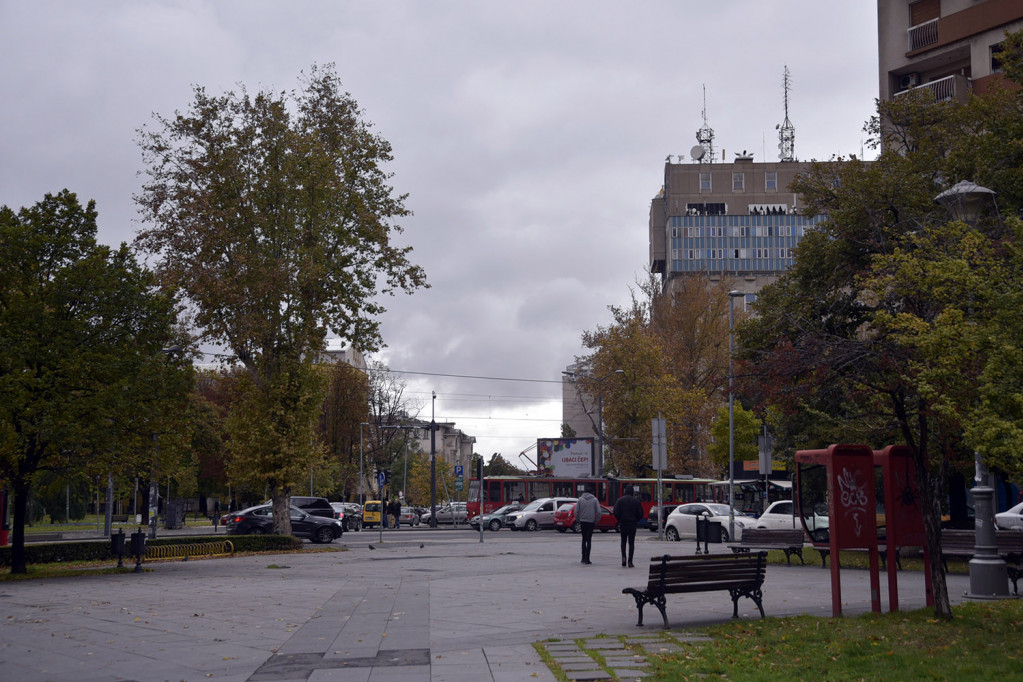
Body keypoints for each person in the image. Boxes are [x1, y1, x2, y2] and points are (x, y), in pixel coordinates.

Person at [613, 486, 644, 567]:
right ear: (632, 492)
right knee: (631, 543)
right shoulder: (636, 501)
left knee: (623, 542)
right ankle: (630, 561)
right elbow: (641, 513)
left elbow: (615, 512)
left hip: (623, 523)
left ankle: (623, 558)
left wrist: (620, 519)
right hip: (632, 524)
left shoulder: (620, 500)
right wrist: (635, 520)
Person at [575, 490, 601, 565]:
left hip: (583, 521)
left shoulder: (580, 499)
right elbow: (599, 512)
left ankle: (583, 557)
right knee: (589, 540)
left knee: (583, 539)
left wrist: (578, 520)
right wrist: (596, 521)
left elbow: (576, 511)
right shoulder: (595, 500)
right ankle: (587, 558)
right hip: (591, 522)